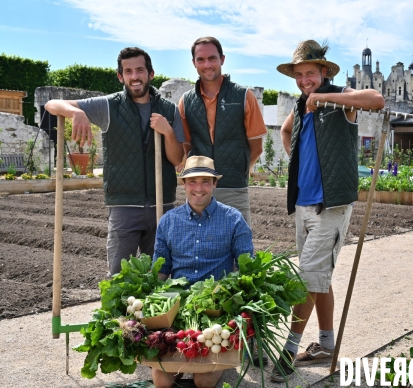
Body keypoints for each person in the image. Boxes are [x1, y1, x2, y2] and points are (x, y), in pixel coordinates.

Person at [271, 40, 385, 382]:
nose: (305, 80)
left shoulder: (340, 98)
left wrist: (326, 97)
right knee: (319, 278)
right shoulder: (301, 105)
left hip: (331, 206)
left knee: (308, 278)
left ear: (324, 71)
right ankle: (325, 344)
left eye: (311, 73)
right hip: (304, 204)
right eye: (300, 75)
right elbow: (286, 130)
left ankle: (289, 350)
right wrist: (297, 160)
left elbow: (376, 101)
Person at [45, 47, 185, 276]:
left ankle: (157, 315)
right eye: (128, 71)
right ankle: (119, 314)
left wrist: (168, 132)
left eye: (140, 70)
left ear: (151, 73)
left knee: (160, 277)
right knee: (120, 277)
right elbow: (52, 104)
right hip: (124, 206)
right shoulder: (109, 106)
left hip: (163, 204)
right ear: (121, 76)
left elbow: (177, 159)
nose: (135, 76)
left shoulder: (169, 110)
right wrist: (76, 112)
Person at [151, 155, 253, 388]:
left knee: (204, 380)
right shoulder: (168, 221)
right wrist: (153, 308)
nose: (199, 188)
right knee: (162, 381)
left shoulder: (233, 219)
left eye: (206, 181)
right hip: (178, 309)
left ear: (215, 184)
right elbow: (160, 270)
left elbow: (248, 268)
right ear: (184, 185)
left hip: (216, 310)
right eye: (192, 182)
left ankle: (216, 366)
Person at [179, 36, 267, 225]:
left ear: (222, 59)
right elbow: (186, 147)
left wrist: (240, 170)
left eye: (212, 58)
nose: (207, 64)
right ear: (194, 63)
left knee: (239, 249)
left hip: (234, 189)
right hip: (199, 192)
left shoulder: (244, 96)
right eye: (200, 59)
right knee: (199, 249)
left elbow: (256, 147)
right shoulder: (185, 101)